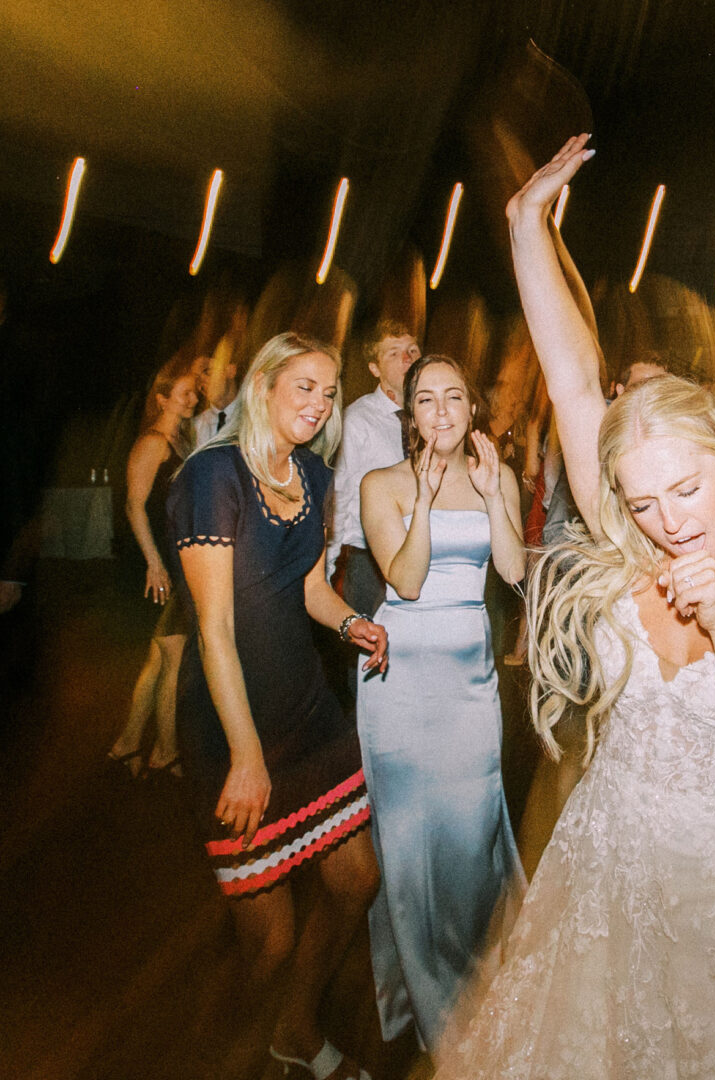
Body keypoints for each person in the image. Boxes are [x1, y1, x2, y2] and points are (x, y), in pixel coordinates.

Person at [435, 136, 715, 1078]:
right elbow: (570, 377)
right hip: (614, 869)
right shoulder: (635, 537)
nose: (664, 522)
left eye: (684, 492)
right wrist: (525, 229)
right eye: (637, 500)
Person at [169, 332, 389, 1080]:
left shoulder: (314, 476)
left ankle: (294, 1028)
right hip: (231, 726)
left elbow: (307, 587)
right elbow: (215, 628)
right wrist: (246, 755)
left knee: (358, 880)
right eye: (304, 386)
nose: (319, 403)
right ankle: (215, 1052)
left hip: (307, 710)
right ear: (264, 386)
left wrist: (352, 623)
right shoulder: (211, 476)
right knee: (270, 940)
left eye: (329, 391)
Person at [355, 354, 527, 1053]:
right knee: (409, 841)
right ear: (410, 415)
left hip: (469, 681)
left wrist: (491, 496)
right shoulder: (380, 483)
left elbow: (514, 570)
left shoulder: (500, 477)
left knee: (472, 829)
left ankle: (484, 977)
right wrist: (423, 501)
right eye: (427, 400)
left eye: (455, 397)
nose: (444, 411)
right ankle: (427, 1000)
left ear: (471, 409)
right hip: (399, 685)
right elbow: (407, 578)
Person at [108, 362, 198, 777]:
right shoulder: (152, 442)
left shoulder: (181, 440)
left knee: (159, 660)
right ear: (161, 398)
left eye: (193, 392)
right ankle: (166, 750)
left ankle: (127, 744)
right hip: (156, 565)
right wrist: (154, 564)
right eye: (184, 392)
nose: (192, 398)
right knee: (174, 656)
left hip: (172, 561)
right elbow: (133, 506)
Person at [327, 320, 421, 625]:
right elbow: (338, 498)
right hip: (369, 566)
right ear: (374, 368)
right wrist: (326, 577)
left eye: (412, 350)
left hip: (420, 553)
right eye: (393, 353)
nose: (407, 359)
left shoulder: (431, 416)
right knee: (371, 656)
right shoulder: (356, 421)